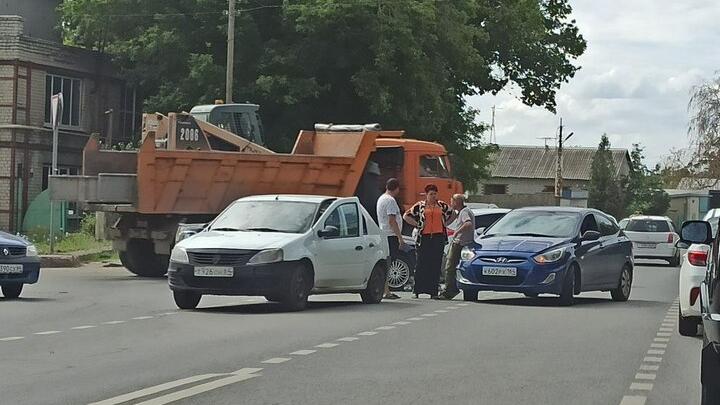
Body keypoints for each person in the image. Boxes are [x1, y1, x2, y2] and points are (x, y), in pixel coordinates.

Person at [403, 184, 455, 299]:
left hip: (438, 237)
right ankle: (417, 290)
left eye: (435, 194)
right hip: (424, 238)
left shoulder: (441, 205)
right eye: (431, 194)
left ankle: (433, 291)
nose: (433, 196)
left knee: (435, 264)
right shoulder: (420, 206)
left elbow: (453, 214)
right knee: (421, 263)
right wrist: (417, 224)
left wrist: (445, 224)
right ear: (426, 195)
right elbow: (406, 216)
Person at [439, 194, 475, 300]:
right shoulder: (462, 211)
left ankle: (449, 290)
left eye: (452, 201)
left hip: (460, 243)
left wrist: (457, 232)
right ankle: (452, 288)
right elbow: (449, 221)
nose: (451, 203)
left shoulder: (464, 212)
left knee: (449, 267)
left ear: (456, 202)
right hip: (463, 242)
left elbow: (467, 224)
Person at [376, 178, 405, 300]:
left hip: (384, 234)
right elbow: (392, 220)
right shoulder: (390, 201)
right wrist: (400, 238)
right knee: (388, 262)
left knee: (387, 262)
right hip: (390, 235)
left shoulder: (381, 198)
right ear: (396, 188)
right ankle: (386, 291)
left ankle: (385, 289)